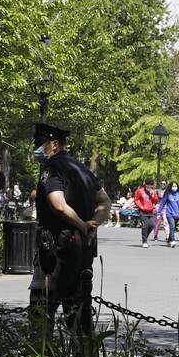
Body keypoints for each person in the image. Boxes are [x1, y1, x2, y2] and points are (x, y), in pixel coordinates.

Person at [28, 123, 111, 334]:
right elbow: (104, 200)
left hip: (56, 250)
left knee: (42, 311)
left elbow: (58, 204)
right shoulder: (83, 169)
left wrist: (83, 224)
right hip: (83, 248)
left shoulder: (52, 168)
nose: (37, 149)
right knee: (78, 314)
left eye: (40, 144)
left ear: (54, 145)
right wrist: (93, 223)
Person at [157, 181, 179, 248]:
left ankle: (169, 240)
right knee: (172, 226)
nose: (174, 187)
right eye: (173, 186)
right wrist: (158, 213)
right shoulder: (168, 195)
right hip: (169, 213)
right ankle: (173, 241)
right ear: (170, 187)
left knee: (174, 228)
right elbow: (162, 204)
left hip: (177, 214)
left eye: (175, 186)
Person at [134, 178, 159, 247]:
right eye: (148, 186)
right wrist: (140, 206)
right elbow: (136, 199)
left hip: (151, 211)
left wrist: (153, 195)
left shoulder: (153, 191)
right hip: (143, 211)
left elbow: (156, 201)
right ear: (145, 185)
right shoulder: (140, 191)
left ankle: (145, 237)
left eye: (151, 186)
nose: (149, 188)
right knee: (145, 226)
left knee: (151, 225)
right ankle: (144, 241)